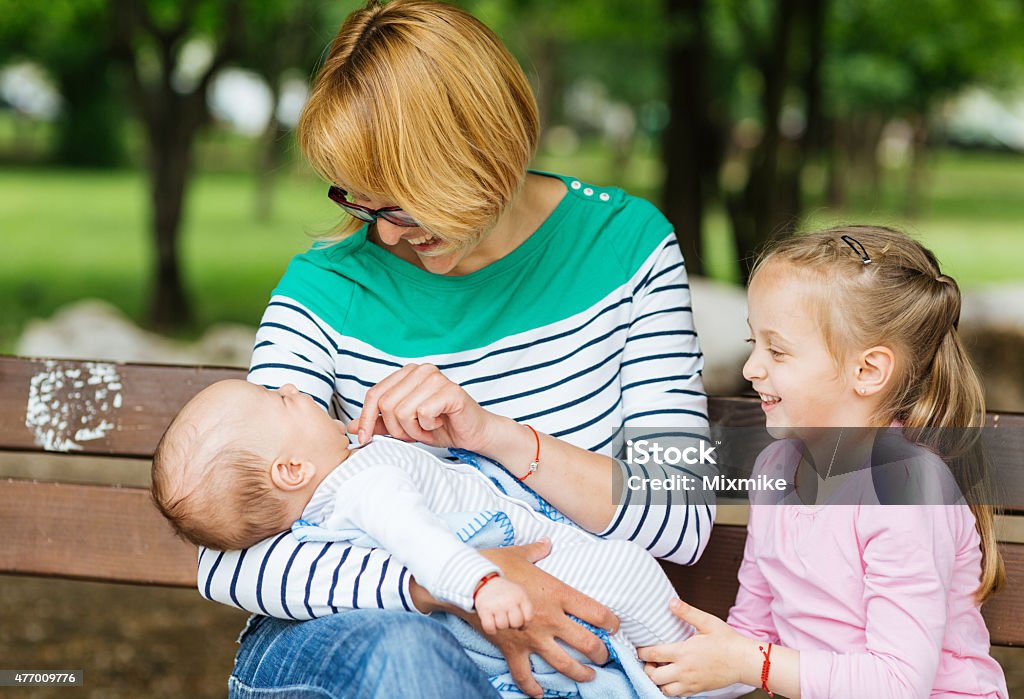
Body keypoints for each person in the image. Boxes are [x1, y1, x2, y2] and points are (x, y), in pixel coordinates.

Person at [197, 2, 712, 697]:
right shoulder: (323, 290)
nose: (383, 233)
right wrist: (449, 583)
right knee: (408, 657)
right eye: (362, 204)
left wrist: (493, 435)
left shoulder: (627, 250)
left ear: (482, 147)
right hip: (361, 643)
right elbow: (227, 562)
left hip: (560, 665)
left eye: (403, 204)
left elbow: (679, 516)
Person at [637, 226, 1009, 699]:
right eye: (754, 343)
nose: (752, 368)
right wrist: (668, 676)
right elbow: (751, 635)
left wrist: (750, 662)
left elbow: (897, 683)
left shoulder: (903, 489)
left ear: (868, 371)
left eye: (778, 350)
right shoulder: (775, 469)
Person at [152, 379, 693, 647]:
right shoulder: (365, 486)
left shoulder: (350, 477)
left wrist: (459, 440)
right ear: (292, 471)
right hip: (576, 577)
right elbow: (423, 542)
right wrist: (480, 584)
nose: (294, 387)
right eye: (280, 399)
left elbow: (446, 487)